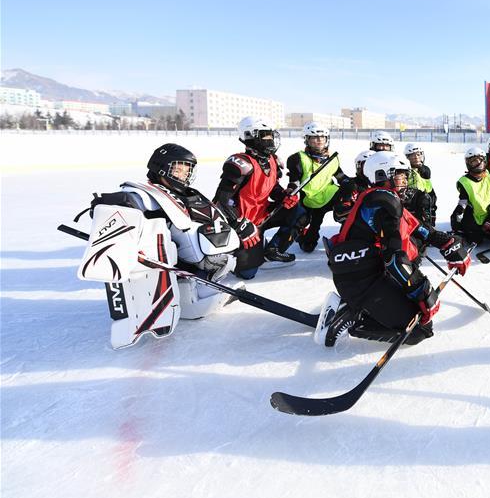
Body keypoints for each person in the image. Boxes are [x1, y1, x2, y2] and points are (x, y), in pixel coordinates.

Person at [80, 144, 242, 348]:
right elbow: (128, 200)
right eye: (179, 168)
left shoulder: (189, 193)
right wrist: (107, 204)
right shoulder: (146, 194)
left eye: (187, 169)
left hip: (209, 262)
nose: (184, 174)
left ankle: (205, 286)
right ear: (162, 167)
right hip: (182, 269)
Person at [319, 152, 471, 347]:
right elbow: (394, 259)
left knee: (417, 311)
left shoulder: (381, 198)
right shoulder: (383, 201)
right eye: (399, 175)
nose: (405, 180)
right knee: (419, 330)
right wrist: (424, 293)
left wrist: (448, 243)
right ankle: (353, 316)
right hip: (361, 281)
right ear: (382, 175)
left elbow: (420, 228)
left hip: (364, 273)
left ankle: (361, 307)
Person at [213, 116, 298, 279]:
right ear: (250, 136)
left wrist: (283, 196)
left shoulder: (272, 160)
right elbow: (221, 201)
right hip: (244, 223)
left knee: (299, 210)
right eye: (265, 135)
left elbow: (272, 187)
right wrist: (238, 224)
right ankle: (236, 249)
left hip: (263, 215)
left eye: (271, 135)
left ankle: (273, 251)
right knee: (247, 273)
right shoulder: (241, 163)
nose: (270, 139)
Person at [275, 122, 349, 253]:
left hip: (328, 194)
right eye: (314, 137)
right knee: (308, 246)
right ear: (307, 140)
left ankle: (347, 236)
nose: (319, 140)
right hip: (308, 199)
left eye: (323, 137)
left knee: (348, 207)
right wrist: (291, 191)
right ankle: (301, 235)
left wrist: (354, 187)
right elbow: (294, 181)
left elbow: (342, 178)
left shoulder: (332, 158)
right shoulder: (297, 158)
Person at [450, 147, 490, 245]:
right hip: (473, 216)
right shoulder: (464, 181)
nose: (478, 164)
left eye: (480, 160)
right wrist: (457, 228)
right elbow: (462, 205)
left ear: (485, 161)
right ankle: (468, 232)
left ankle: (488, 227)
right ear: (468, 163)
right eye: (474, 161)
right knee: (476, 240)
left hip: (489, 213)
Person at [333, 149, 373, 224]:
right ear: (359, 167)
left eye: (373, 166)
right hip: (356, 229)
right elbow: (339, 214)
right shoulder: (351, 185)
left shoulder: (385, 185)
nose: (369, 170)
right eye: (366, 166)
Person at [403, 142, 437, 226]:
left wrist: (432, 214)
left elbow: (430, 192)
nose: (416, 157)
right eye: (412, 155)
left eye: (418, 154)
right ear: (407, 158)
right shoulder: (404, 170)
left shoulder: (425, 171)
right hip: (409, 206)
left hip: (423, 206)